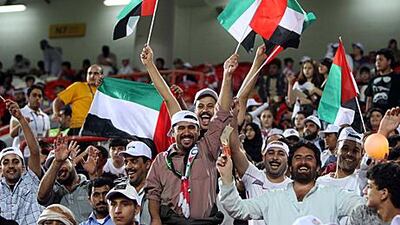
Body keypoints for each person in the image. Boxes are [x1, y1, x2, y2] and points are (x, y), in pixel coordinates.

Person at [144, 47, 236, 224]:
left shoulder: (208, 147)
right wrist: (149, 65)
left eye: (191, 128)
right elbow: (168, 98)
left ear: (196, 130)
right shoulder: (161, 160)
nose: (186, 132)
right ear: (172, 132)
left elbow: (222, 111)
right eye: (182, 128)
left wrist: (227, 75)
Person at [217, 141, 364, 225]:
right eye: (298, 158)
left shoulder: (334, 195)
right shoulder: (272, 198)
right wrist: (226, 178)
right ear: (290, 167)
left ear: (318, 167)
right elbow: (237, 208)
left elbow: (367, 209)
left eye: (309, 158)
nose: (303, 162)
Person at [0, 99, 43, 225]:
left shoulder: (31, 178)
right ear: (0, 168)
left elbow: (34, 151)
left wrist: (20, 118)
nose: (11, 166)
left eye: (15, 161)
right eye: (6, 162)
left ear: (23, 166)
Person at [37, 138, 93, 223]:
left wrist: (94, 175)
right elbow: (41, 197)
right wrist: (57, 162)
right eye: (56, 166)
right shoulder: (54, 192)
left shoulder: (89, 185)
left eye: (63, 162)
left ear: (73, 162)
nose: (60, 168)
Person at [52, 64, 104, 135]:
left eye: (96, 73)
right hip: (78, 127)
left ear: (101, 76)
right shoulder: (78, 86)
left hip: (97, 128)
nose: (92, 76)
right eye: (89, 73)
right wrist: (56, 113)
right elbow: (58, 101)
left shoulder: (104, 91)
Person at [10, 85, 50, 160]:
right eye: (34, 95)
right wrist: (22, 122)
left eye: (40, 96)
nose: (37, 98)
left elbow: (46, 139)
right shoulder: (19, 113)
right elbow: (12, 134)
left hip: (38, 156)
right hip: (21, 155)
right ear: (28, 97)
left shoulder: (46, 117)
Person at [119, 140, 153, 224]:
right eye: (126, 162)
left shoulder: (158, 191)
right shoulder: (118, 190)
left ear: (147, 164)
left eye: (134, 161)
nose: (128, 166)